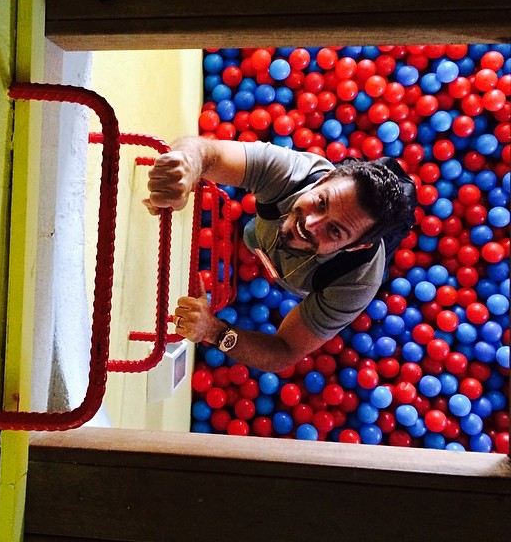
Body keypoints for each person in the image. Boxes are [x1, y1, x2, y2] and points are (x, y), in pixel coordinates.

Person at [144, 136, 411, 373]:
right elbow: (206, 151)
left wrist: (212, 330)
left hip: (330, 272)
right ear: (323, 179)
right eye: (320, 202)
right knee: (255, 234)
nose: (310, 224)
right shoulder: (294, 173)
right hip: (264, 233)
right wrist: (186, 167)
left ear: (355, 246)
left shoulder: (357, 282)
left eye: (335, 231)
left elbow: (284, 351)